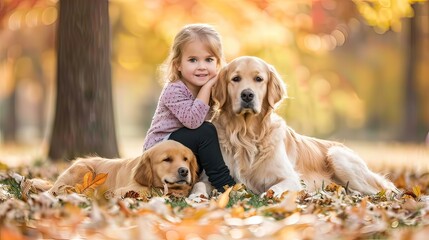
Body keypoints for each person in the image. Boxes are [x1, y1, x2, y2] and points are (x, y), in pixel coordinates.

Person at [143, 23, 235, 192]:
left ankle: (215, 180)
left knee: (215, 132)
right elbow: (193, 122)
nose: (201, 66)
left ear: (218, 63)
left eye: (209, 60)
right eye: (193, 60)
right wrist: (207, 88)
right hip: (161, 148)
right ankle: (225, 184)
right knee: (206, 131)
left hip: (186, 148)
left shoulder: (213, 88)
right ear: (178, 64)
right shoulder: (174, 90)